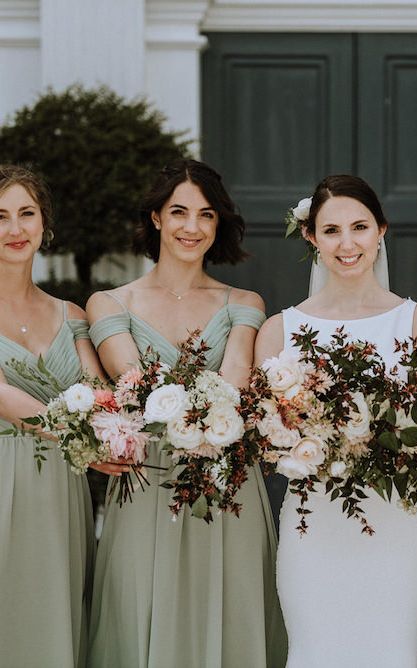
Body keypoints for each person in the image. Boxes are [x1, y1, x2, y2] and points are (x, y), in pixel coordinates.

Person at [86, 159, 286, 668]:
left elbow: (237, 380)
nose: (191, 227)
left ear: (219, 225)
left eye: (206, 215)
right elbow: (133, 381)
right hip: (146, 482)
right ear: (156, 218)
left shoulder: (244, 302)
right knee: (139, 610)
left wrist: (216, 413)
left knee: (230, 611)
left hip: (225, 483)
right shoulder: (109, 303)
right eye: (178, 212)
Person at [255, 174, 417, 667]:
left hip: (398, 523)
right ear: (310, 237)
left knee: (397, 650)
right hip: (314, 523)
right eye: (332, 229)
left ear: (381, 231)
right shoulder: (281, 330)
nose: (347, 243)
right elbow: (265, 439)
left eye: (360, 227)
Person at [0, 165, 103, 667]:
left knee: (56, 611)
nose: (14, 229)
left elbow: (99, 391)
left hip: (62, 484)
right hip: (3, 474)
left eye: (26, 214)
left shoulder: (73, 314)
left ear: (45, 225)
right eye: (0, 217)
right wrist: (77, 431)